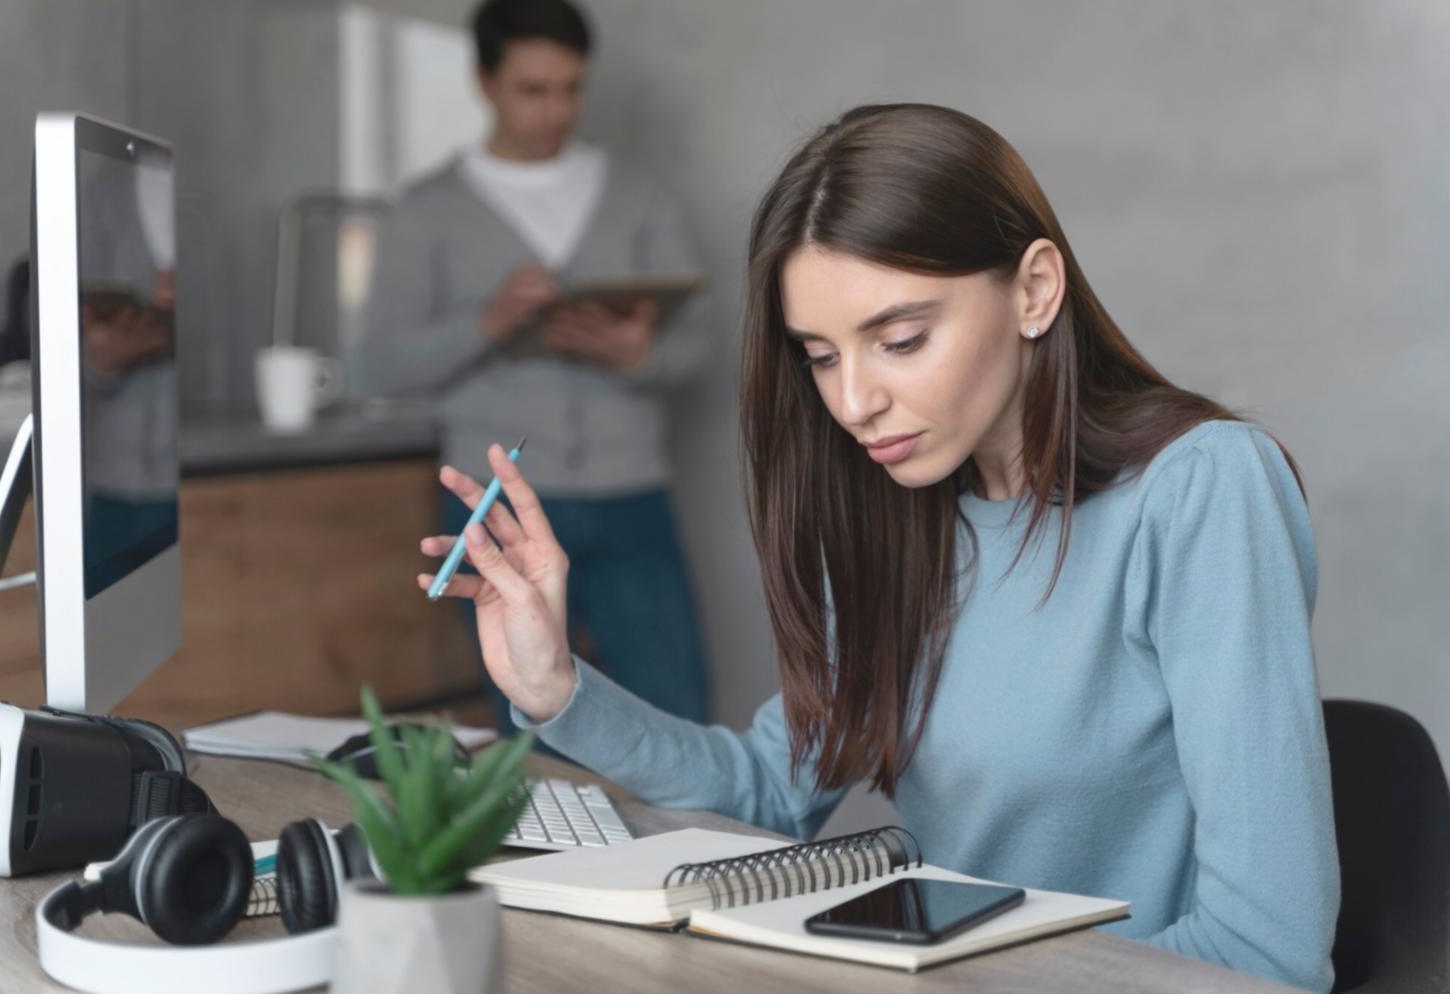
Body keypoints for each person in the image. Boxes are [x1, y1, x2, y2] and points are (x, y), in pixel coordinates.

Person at [418, 104, 1340, 992]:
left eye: (899, 339)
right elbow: (771, 791)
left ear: (1034, 290)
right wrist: (554, 689)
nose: (854, 401)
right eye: (820, 356)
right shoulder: (897, 517)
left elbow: (1264, 951)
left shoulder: (1202, 490)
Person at [362, 0, 712, 725]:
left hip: (632, 496)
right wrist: (488, 321)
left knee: (677, 713)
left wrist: (637, 353)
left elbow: (702, 347)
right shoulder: (425, 211)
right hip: (498, 507)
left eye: (570, 88)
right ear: (485, 82)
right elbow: (378, 366)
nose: (556, 110)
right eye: (533, 90)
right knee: (535, 729)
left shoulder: (641, 197)